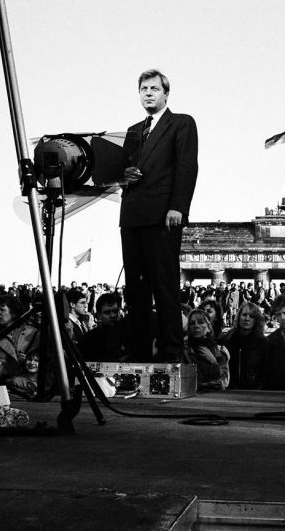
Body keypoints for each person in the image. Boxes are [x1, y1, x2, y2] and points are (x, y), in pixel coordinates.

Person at [120, 69, 198, 362]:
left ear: (166, 93)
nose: (148, 93)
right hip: (132, 216)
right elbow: (122, 169)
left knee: (165, 286)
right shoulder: (132, 131)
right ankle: (138, 353)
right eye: (143, 89)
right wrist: (122, 174)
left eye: (154, 88)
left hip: (163, 215)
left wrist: (178, 206)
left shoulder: (181, 123)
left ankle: (171, 353)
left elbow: (187, 166)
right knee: (135, 289)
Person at [221, 302, 266, 389]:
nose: (247, 318)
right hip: (230, 390)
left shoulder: (263, 343)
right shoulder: (227, 340)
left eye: (251, 316)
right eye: (244, 315)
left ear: (256, 320)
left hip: (254, 392)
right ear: (239, 317)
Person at [182, 309, 230, 390]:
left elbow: (224, 381)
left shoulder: (220, 350)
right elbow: (185, 383)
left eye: (201, 322)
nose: (196, 326)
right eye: (192, 323)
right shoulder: (185, 351)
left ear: (208, 328)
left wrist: (214, 361)